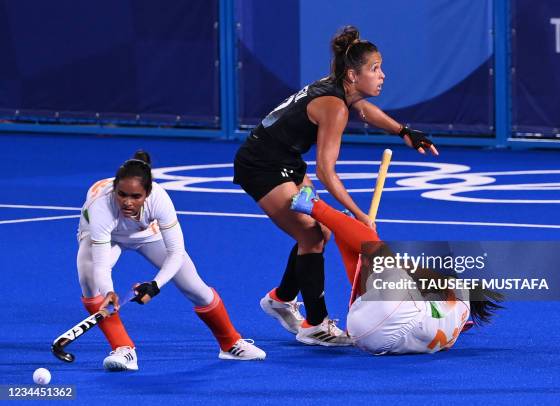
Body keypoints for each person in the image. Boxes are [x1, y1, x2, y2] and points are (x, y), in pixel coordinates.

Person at [233, 25, 438, 346]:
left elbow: (365, 110)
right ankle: (314, 325)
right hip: (261, 165)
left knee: (321, 232)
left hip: (285, 159)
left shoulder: (341, 89)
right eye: (375, 69)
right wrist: (359, 214)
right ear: (353, 75)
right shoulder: (334, 107)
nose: (382, 75)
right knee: (312, 234)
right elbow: (327, 172)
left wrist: (405, 132)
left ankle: (281, 298)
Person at [77, 151, 266, 371]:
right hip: (103, 235)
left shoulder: (160, 199)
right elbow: (101, 264)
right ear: (115, 191)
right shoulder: (101, 207)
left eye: (135, 197)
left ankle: (230, 343)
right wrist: (109, 291)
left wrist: (155, 285)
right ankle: (123, 350)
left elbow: (176, 252)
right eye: (122, 194)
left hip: (147, 234)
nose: (127, 202)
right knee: (90, 281)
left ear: (147, 193)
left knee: (195, 287)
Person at [290, 185, 503, 355]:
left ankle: (315, 206)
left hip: (396, 316)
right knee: (376, 277)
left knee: (380, 256)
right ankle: (343, 228)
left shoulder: (454, 289)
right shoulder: (457, 321)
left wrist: (371, 243)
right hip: (365, 337)